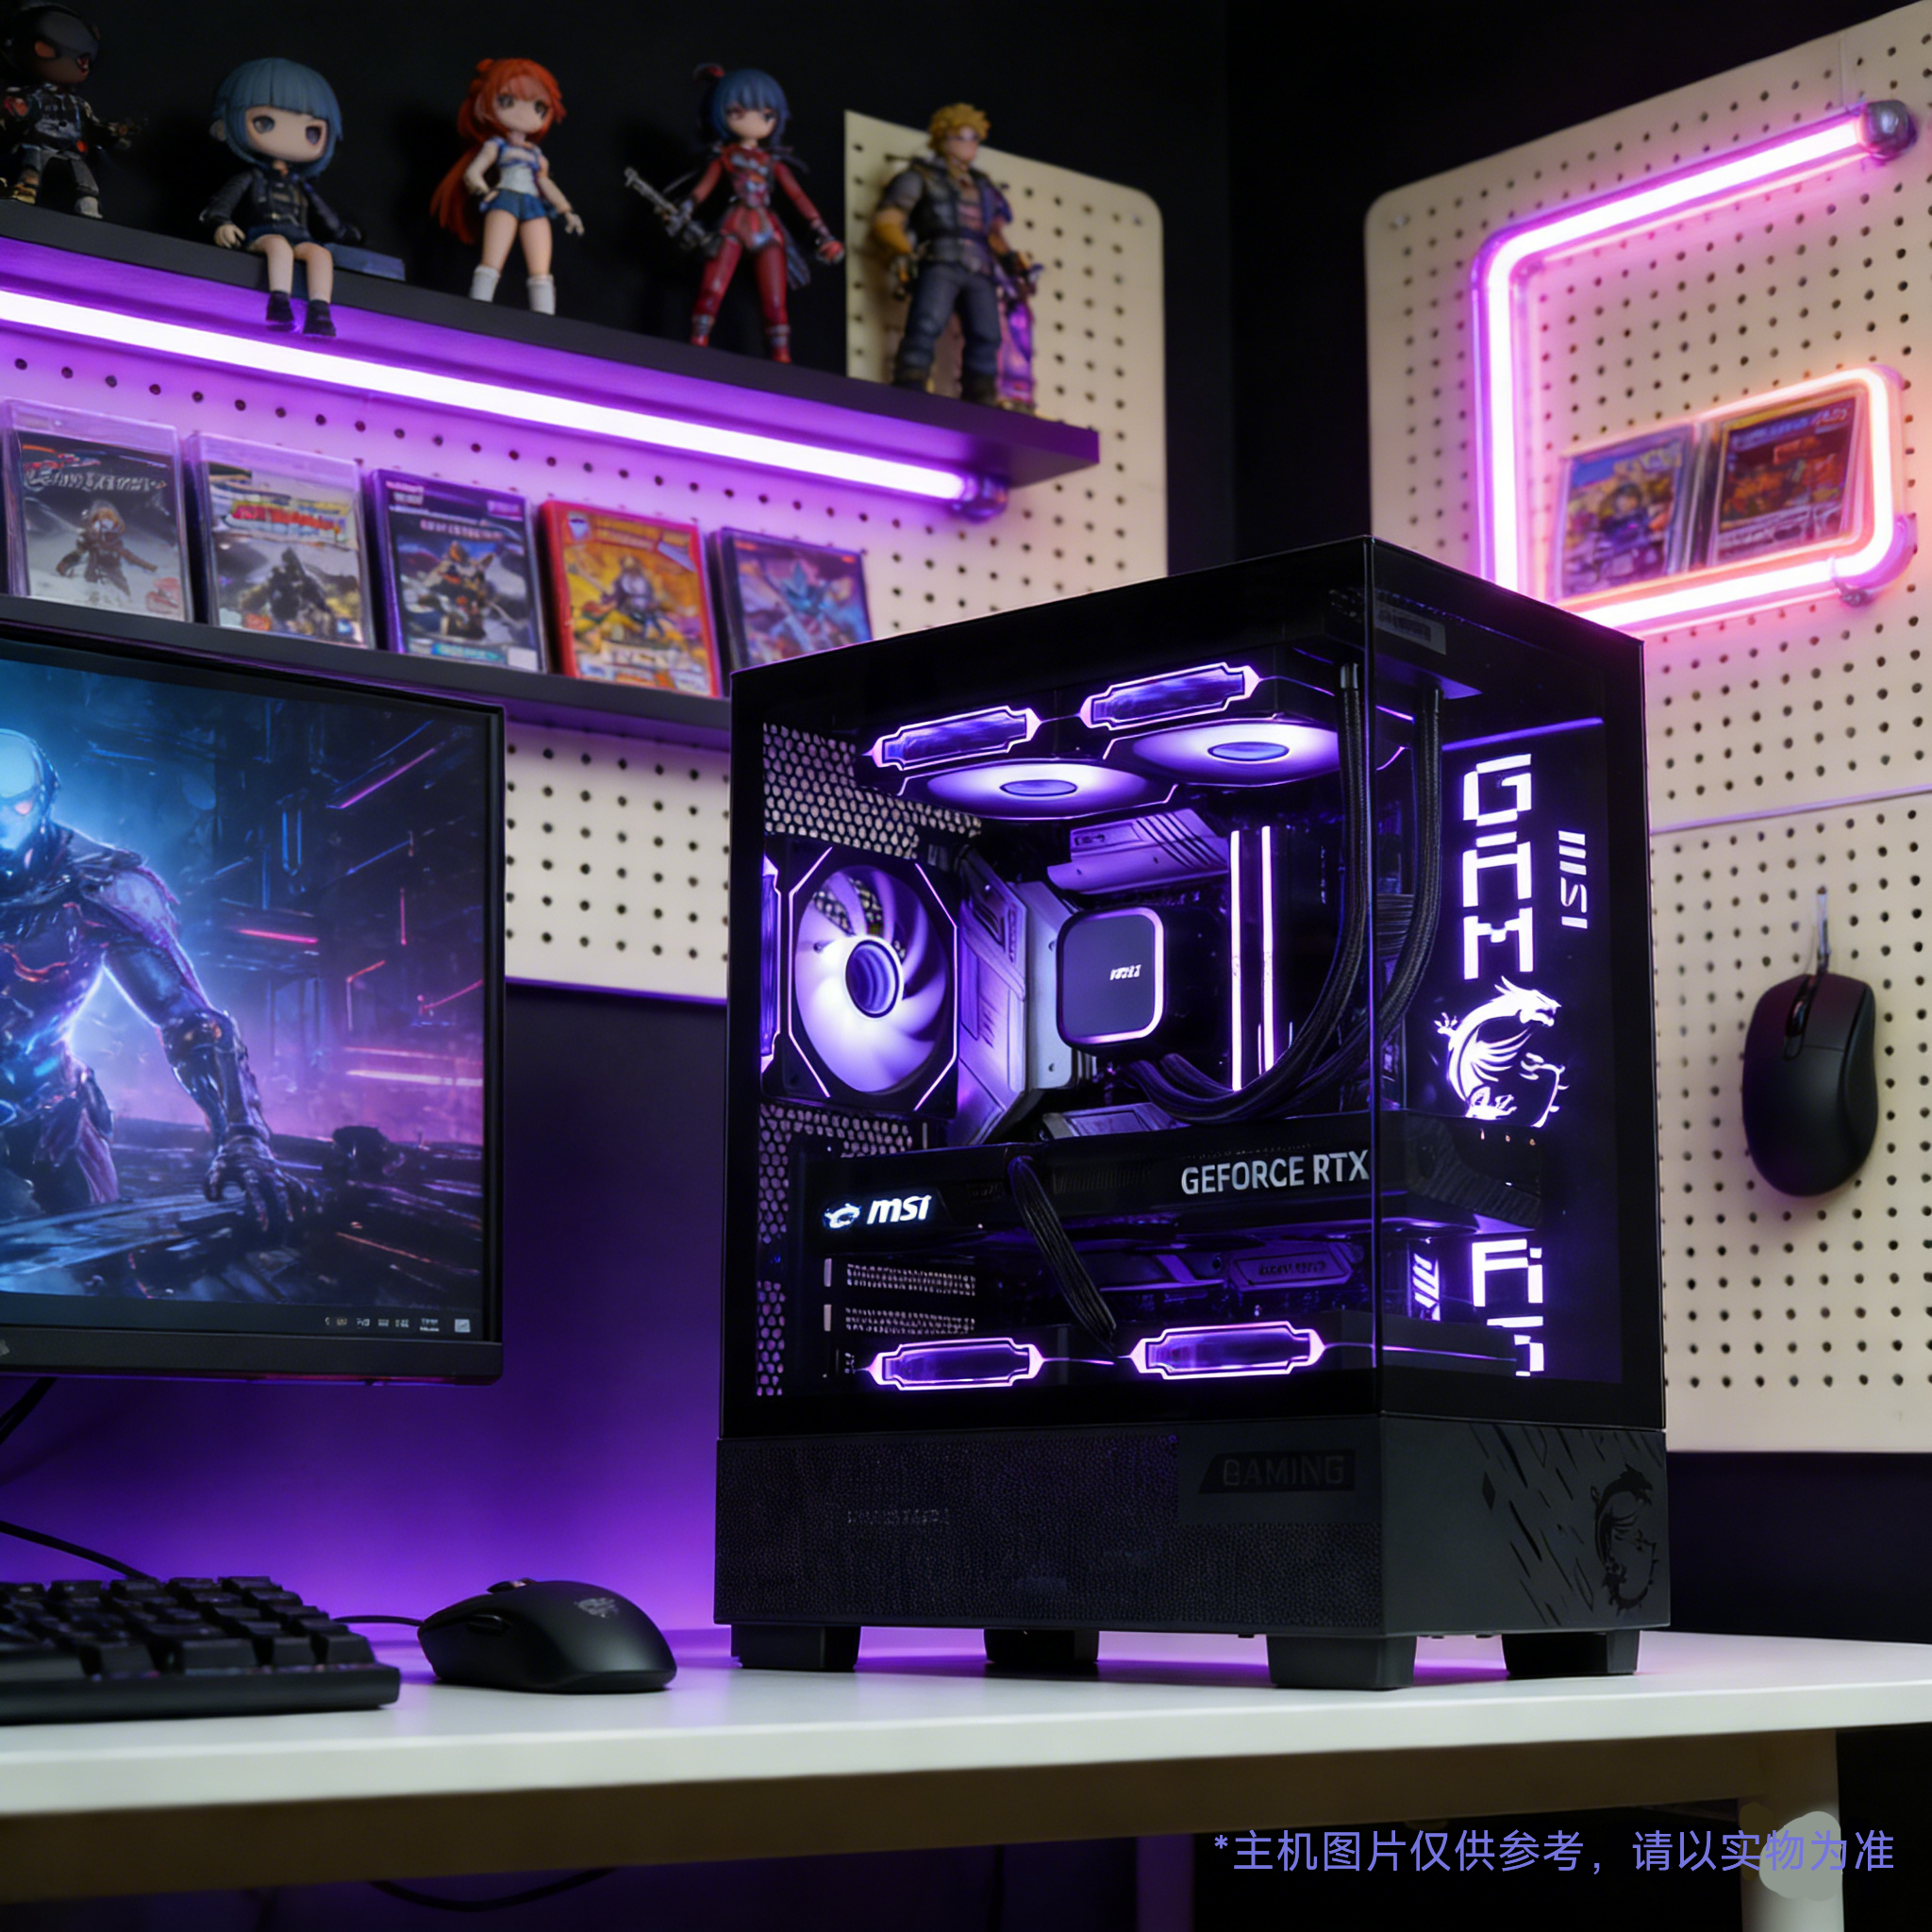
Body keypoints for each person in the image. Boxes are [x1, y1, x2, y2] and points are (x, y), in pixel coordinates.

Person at [0, 730, 304, 1233]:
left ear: (44, 799)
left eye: (16, 805)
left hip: (54, 1111)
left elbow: (190, 1023)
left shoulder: (101, 886)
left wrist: (243, 1139)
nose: (2, 824)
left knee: (102, 1256)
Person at [670, 65, 842, 363]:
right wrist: (684, 209)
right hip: (733, 224)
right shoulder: (724, 158)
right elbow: (702, 190)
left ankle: (781, 355)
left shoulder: (772, 163)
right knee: (711, 289)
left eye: (765, 114)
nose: (753, 119)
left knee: (775, 301)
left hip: (765, 229)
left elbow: (798, 197)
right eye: (739, 111)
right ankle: (697, 342)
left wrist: (823, 233)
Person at [873, 104, 1032, 405]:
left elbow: (993, 234)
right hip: (940, 259)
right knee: (926, 322)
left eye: (974, 137)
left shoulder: (984, 186)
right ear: (942, 138)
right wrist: (904, 254)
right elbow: (888, 220)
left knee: (987, 334)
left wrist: (1012, 261)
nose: (968, 144)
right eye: (960, 136)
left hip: (980, 267)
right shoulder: (920, 176)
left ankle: (981, 394)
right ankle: (911, 378)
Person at [201, 58, 359, 338]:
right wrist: (222, 223)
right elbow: (223, 203)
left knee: (320, 254)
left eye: (311, 131)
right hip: (262, 234)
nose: (288, 136)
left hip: (300, 237)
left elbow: (323, 214)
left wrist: (343, 233)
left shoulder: (299, 185)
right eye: (265, 123)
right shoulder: (252, 177)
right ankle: (279, 305)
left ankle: (320, 312)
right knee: (279, 247)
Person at [429, 57, 583, 315]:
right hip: (505, 199)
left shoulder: (535, 154)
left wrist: (566, 210)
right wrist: (483, 189)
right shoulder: (496, 146)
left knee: (541, 269)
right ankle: (477, 311)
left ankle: (545, 321)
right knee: (492, 262)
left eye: (538, 106)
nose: (524, 112)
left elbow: (544, 182)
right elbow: (474, 172)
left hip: (533, 204)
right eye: (508, 100)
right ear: (485, 105)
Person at [0, 3, 134, 217]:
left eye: (86, 60)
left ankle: (88, 202)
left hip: (70, 147)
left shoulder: (78, 104)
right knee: (32, 161)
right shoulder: (36, 95)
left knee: (82, 171)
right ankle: (26, 190)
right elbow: (19, 112)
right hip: (39, 142)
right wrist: (16, 111)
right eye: (80, 59)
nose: (84, 66)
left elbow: (93, 126)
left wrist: (113, 131)